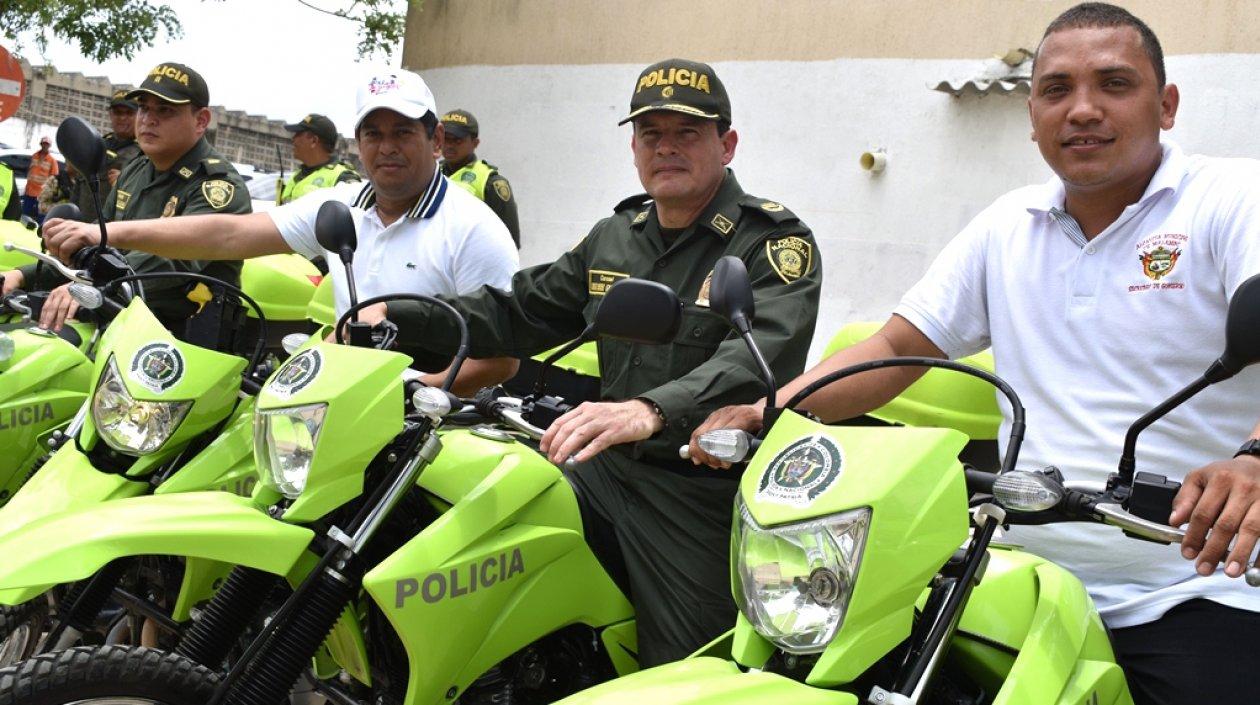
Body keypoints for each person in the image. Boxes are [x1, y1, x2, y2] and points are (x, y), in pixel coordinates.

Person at [690, 4, 1260, 703]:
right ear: (1031, 114)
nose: (1082, 110)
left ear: (1165, 105)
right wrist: (769, 410)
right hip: (1014, 577)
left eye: (1114, 84)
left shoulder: (1232, 200)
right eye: (1056, 90)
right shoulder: (1006, 227)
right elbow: (897, 348)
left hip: (1189, 587)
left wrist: (1252, 459)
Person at [374, 59, 821, 669]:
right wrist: (401, 313)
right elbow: (521, 310)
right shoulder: (616, 235)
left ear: (727, 143)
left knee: (691, 672)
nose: (665, 147)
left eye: (686, 133)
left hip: (693, 488)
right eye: (649, 134)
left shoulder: (770, 243)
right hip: (597, 461)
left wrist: (650, 410)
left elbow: (758, 352)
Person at [41, 68, 521, 396]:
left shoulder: (473, 231)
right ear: (358, 143)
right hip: (343, 398)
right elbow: (229, 234)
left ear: (435, 140)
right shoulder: (345, 205)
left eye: (404, 132)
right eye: (374, 134)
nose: (387, 147)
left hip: (435, 426)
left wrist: (418, 387)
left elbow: (502, 362)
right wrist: (104, 234)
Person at [3, 62, 252, 342]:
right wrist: (21, 276)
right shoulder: (136, 170)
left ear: (201, 120)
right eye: (144, 108)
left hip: (184, 342)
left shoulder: (217, 186)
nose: (148, 119)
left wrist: (91, 285)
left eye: (165, 110)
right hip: (119, 322)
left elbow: (175, 260)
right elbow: (99, 249)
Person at [440, 109, 520, 248]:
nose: (449, 145)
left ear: (475, 143)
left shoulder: (490, 182)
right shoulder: (431, 172)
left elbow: (510, 240)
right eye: (445, 139)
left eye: (457, 140)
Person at [70, 90, 144, 221]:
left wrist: (126, 182)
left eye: (129, 113)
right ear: (110, 114)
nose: (122, 118)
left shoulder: (145, 153)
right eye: (118, 112)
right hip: (81, 227)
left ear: (139, 115)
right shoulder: (95, 145)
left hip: (113, 232)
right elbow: (79, 187)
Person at [276, 113, 360, 205]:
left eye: (298, 134)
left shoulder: (343, 177)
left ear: (314, 141)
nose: (293, 138)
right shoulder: (297, 175)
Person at [21, 137, 59, 225]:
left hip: (42, 193)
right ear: (41, 144)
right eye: (44, 143)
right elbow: (30, 170)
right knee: (24, 214)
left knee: (41, 217)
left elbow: (55, 178)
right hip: (30, 191)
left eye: (47, 144)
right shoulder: (34, 156)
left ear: (49, 146)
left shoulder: (52, 161)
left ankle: (39, 233)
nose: (45, 146)